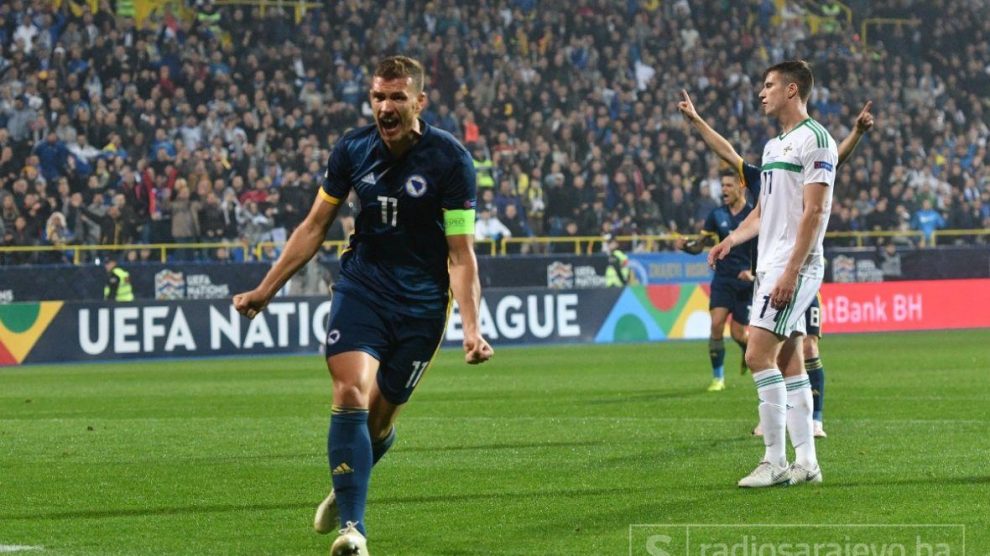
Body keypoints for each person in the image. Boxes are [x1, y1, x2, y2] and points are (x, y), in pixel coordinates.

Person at [233, 56, 493, 556]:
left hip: (422, 305)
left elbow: (460, 254)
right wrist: (266, 289)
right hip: (362, 289)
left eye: (397, 97)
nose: (386, 107)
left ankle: (348, 477)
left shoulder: (451, 160)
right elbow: (315, 226)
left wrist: (471, 328)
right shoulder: (352, 150)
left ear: (419, 102)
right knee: (350, 390)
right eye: (378, 97)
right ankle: (353, 529)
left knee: (378, 423)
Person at [678, 89, 874, 435]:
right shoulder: (762, 175)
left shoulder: (808, 154)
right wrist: (696, 122)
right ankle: (784, 427)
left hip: (799, 269)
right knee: (781, 353)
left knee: (805, 347)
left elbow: (831, 161)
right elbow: (726, 151)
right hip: (770, 275)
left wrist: (856, 133)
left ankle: (813, 421)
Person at [707, 60, 837, 487]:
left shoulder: (817, 140)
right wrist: (731, 240)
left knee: (756, 355)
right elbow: (764, 211)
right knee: (788, 361)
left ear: (792, 90)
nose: (761, 94)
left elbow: (814, 211)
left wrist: (791, 272)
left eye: (768, 85)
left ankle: (775, 461)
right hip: (770, 265)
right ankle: (808, 463)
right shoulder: (772, 146)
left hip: (793, 266)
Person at [677, 163, 757, 391]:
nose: (724, 190)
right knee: (716, 325)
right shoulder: (716, 215)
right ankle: (718, 378)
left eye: (729, 185)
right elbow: (699, 246)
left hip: (745, 282)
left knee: (739, 333)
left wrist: (753, 273)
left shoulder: (753, 215)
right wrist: (686, 247)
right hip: (722, 279)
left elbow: (762, 248)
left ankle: (747, 350)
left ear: (740, 187)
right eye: (722, 186)